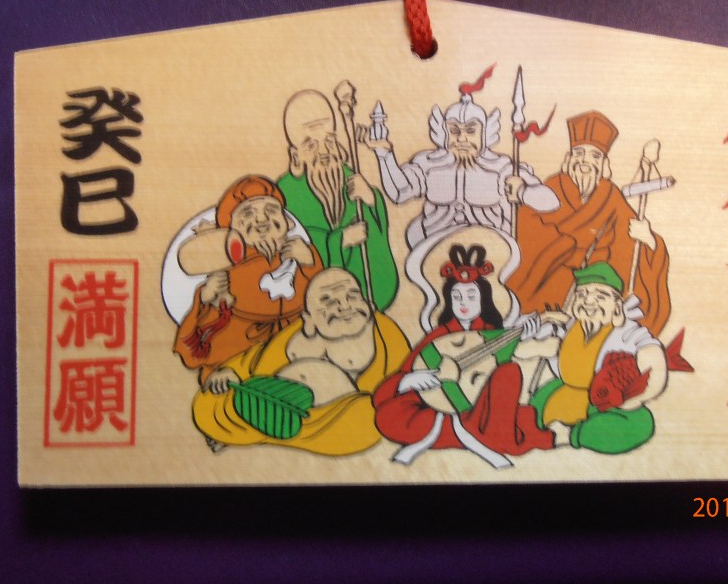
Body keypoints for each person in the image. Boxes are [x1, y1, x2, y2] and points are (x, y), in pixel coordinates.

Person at [192, 268, 411, 454]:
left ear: (368, 304)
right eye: (328, 301)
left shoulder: (384, 334)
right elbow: (252, 362)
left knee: (366, 424)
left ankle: (254, 430)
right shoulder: (296, 334)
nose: (345, 306)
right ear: (309, 319)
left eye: (353, 296)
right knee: (208, 403)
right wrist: (229, 373)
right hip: (271, 404)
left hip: (335, 419)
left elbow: (401, 381)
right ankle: (259, 424)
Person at [373, 245, 554, 468]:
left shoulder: (493, 334)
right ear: (448, 300)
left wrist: (521, 337)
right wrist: (407, 380)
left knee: (510, 372)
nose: (463, 303)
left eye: (470, 296)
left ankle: (450, 430)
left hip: (477, 409)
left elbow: (501, 383)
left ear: (483, 299)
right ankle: (466, 431)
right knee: (387, 416)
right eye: (456, 297)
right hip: (437, 406)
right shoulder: (439, 337)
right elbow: (383, 394)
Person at [507, 110, 671, 336]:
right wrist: (568, 248)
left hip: (597, 294)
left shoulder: (611, 198)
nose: (585, 161)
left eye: (595, 156)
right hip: (548, 293)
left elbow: (631, 242)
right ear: (568, 159)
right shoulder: (549, 190)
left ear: (604, 164)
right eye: (579, 153)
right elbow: (526, 232)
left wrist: (649, 240)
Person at [360, 67, 558, 248]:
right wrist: (384, 155)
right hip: (432, 254)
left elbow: (551, 202)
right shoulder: (429, 165)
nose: (462, 138)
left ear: (485, 133)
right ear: (444, 132)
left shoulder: (503, 169)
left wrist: (523, 191)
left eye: (470, 130)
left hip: (491, 255)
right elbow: (399, 192)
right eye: (454, 130)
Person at [172, 175, 322, 386]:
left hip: (296, 347)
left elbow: (319, 298)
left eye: (271, 210)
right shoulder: (226, 267)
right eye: (248, 213)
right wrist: (206, 297)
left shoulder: (301, 254)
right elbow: (201, 334)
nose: (261, 220)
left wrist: (310, 264)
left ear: (287, 222)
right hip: (240, 356)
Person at [528, 262, 668, 454]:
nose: (589, 301)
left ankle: (571, 435)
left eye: (600, 296)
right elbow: (536, 341)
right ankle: (533, 430)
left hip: (602, 403)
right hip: (562, 392)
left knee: (640, 423)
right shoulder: (571, 327)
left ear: (617, 307)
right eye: (582, 294)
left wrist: (640, 397)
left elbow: (651, 352)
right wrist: (542, 332)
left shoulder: (626, 332)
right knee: (532, 409)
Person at [277, 89, 398, 311]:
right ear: (295, 156)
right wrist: (340, 240)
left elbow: (374, 231)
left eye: (329, 141)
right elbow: (295, 245)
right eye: (311, 145)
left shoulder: (349, 178)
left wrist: (371, 200)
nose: (324, 152)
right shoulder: (284, 193)